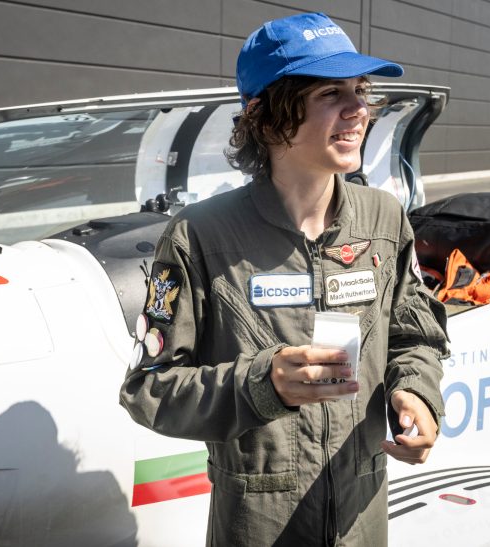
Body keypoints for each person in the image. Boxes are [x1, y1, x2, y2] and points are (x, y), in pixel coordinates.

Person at [120, 11, 449, 546]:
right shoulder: (198, 237)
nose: (358, 110)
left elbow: (415, 337)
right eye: (330, 94)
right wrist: (262, 384)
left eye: (360, 91)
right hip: (258, 526)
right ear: (266, 117)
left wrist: (416, 395)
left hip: (362, 519)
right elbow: (148, 390)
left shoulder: (385, 220)